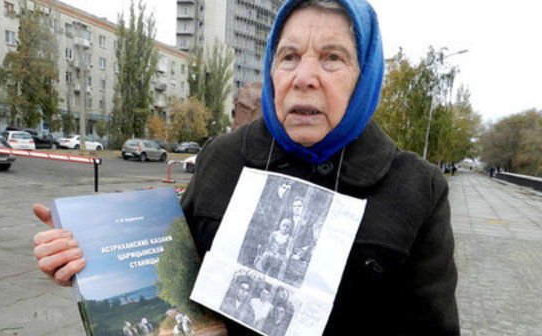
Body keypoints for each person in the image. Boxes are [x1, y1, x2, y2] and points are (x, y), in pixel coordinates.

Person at [33, 0, 459, 334]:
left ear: (364, 75)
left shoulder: (417, 189)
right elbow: (171, 264)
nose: (304, 77)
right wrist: (89, 252)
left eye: (332, 58)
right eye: (289, 57)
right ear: (272, 69)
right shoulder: (222, 156)